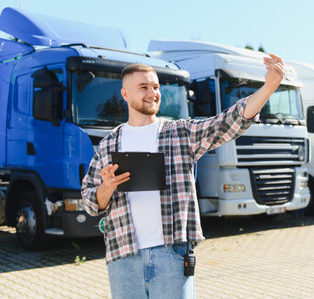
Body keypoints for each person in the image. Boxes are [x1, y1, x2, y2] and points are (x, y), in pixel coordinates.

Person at [81, 53, 286, 298]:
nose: (152, 93)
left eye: (156, 87)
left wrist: (269, 87)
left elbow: (229, 121)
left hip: (172, 255)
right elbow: (90, 203)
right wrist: (107, 187)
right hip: (123, 257)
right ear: (125, 94)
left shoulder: (180, 133)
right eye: (143, 87)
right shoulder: (108, 145)